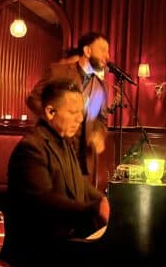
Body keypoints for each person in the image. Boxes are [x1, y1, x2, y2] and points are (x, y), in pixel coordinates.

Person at [1, 78, 110, 267]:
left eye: (81, 113)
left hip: (60, 241)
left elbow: (81, 186)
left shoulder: (63, 142)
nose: (79, 119)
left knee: (102, 265)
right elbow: (43, 201)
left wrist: (101, 199)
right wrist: (92, 211)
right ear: (50, 112)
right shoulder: (31, 148)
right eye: (73, 112)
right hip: (34, 248)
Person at [26, 32, 110, 186]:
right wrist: (54, 119)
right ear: (87, 51)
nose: (107, 56)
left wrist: (99, 134)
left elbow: (102, 119)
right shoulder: (58, 71)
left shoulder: (102, 86)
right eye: (103, 50)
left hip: (84, 161)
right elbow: (33, 99)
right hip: (54, 150)